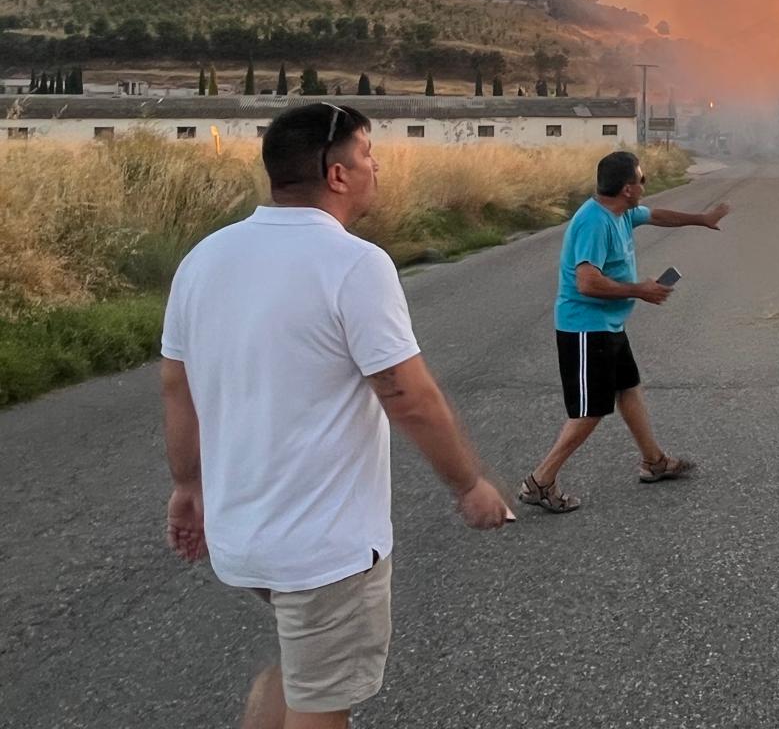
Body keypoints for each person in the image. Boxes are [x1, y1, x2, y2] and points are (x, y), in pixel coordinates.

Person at [161, 102, 514, 729]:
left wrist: (188, 485)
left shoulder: (205, 258)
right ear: (337, 174)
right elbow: (407, 396)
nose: (377, 166)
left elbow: (176, 385)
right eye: (367, 154)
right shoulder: (354, 263)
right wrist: (469, 484)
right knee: (320, 696)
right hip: (323, 550)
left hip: (245, 538)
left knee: (304, 669)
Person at [520, 150, 731, 513]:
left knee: (628, 389)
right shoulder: (594, 223)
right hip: (585, 328)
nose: (645, 185)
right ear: (628, 189)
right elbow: (586, 282)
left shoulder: (622, 212)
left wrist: (702, 219)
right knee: (590, 412)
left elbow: (656, 215)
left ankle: (654, 462)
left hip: (609, 325)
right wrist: (639, 290)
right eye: (641, 180)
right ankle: (540, 481)